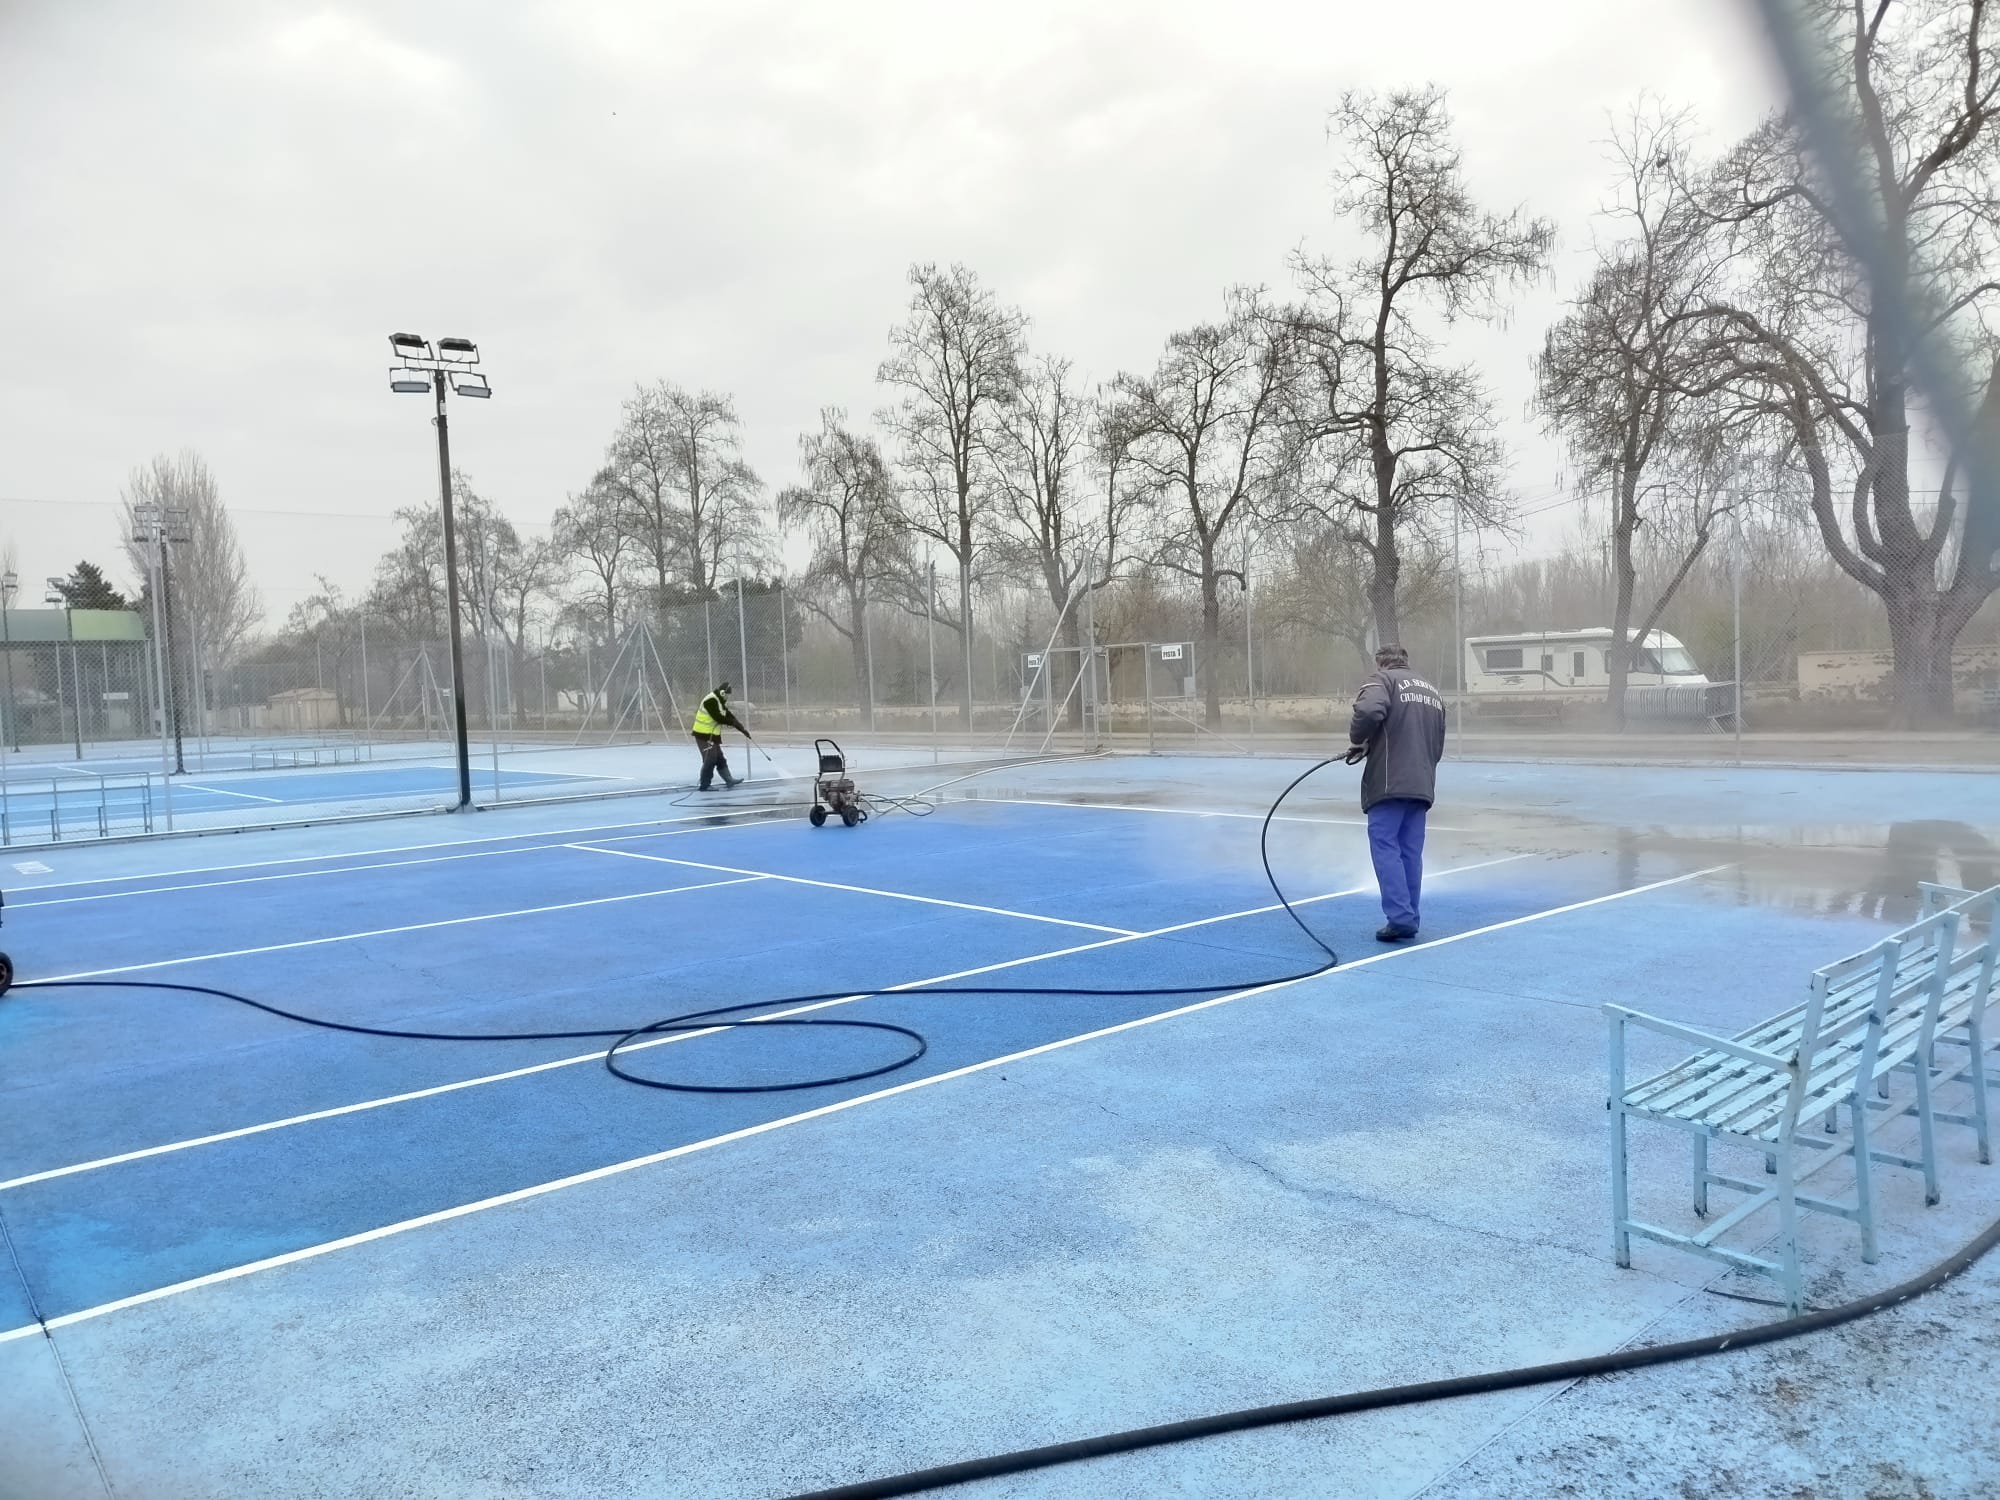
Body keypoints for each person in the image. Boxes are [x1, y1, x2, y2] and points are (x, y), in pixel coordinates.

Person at [1348, 644, 1447, 942]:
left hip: (1389, 782)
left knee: (1385, 846)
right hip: (1422, 784)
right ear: (1405, 661)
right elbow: (1438, 742)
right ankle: (1409, 916)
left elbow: (1368, 710)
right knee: (1410, 852)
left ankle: (1400, 917)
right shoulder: (1431, 690)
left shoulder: (1382, 680)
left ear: (1381, 663)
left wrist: (1358, 739)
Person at [690, 680, 748, 790]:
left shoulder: (719, 701)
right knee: (710, 759)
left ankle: (729, 780)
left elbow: (728, 715)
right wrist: (732, 722)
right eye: (727, 695)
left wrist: (741, 728)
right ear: (722, 693)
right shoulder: (711, 700)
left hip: (712, 735)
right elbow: (718, 718)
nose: (728, 697)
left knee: (720, 758)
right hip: (703, 735)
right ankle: (705, 785)